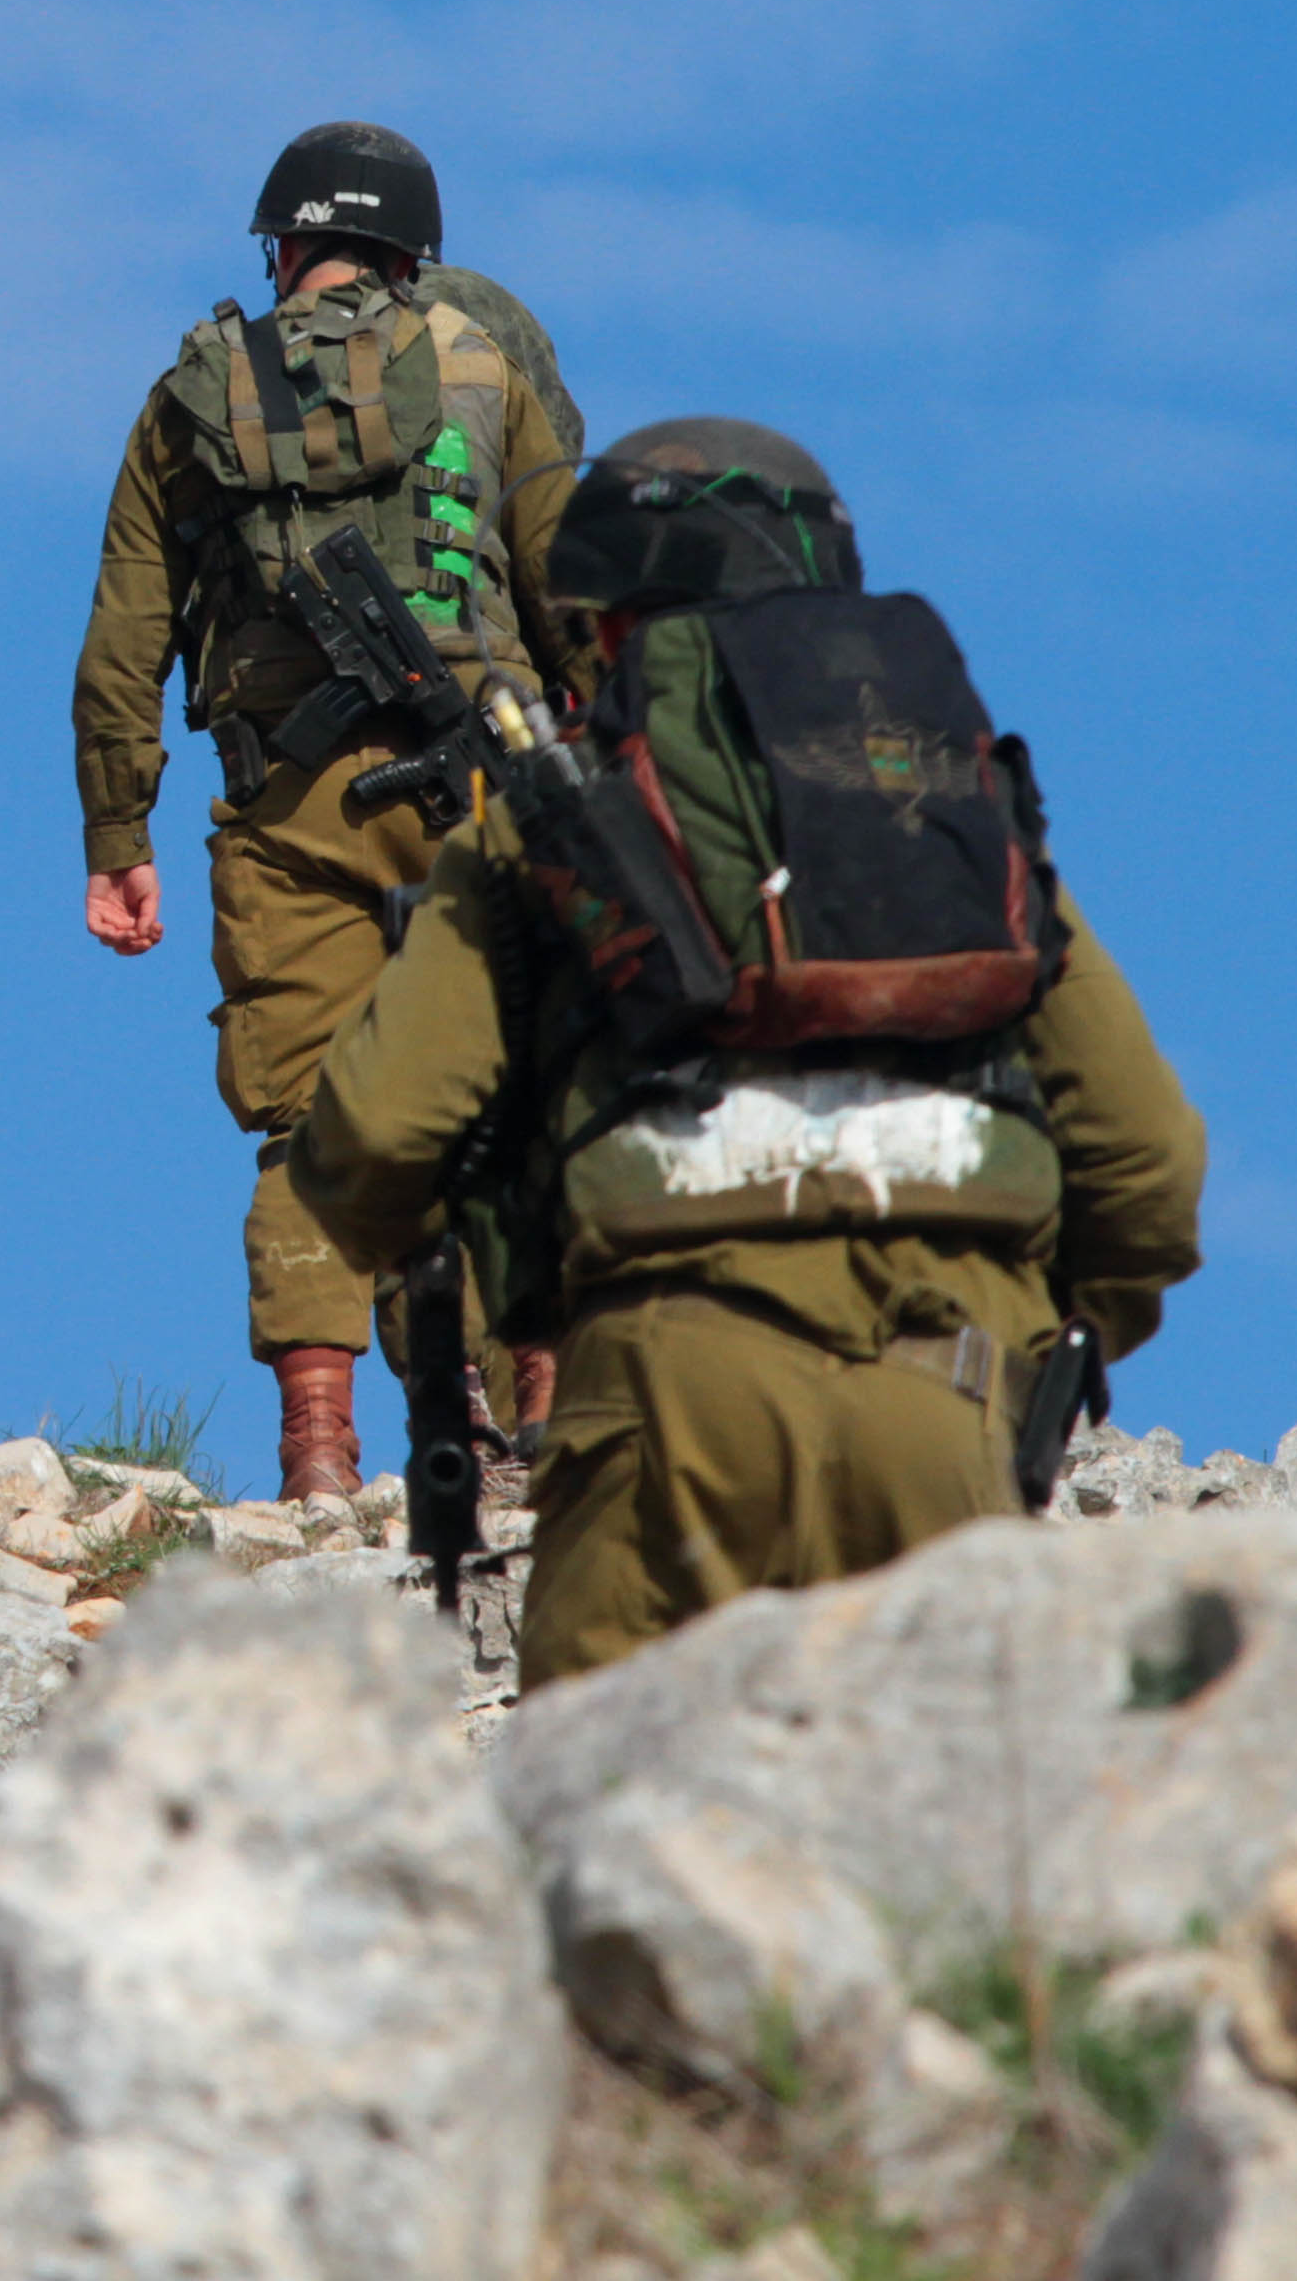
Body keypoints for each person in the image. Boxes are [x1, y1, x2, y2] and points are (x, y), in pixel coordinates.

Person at [292, 420, 1204, 1687]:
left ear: (611, 626)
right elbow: (1150, 1170)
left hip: (661, 1411)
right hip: (949, 1410)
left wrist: (483, 1271)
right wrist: (1033, 1346)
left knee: (620, 1848)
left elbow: (375, 1138)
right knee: (924, 1864)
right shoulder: (968, 825)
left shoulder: (543, 827)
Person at [65, 122, 581, 1497]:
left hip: (289, 800)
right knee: (509, 1089)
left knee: (311, 1122)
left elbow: (123, 643)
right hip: (487, 775)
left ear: (280, 249)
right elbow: (567, 587)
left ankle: (317, 1455)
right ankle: (529, 1400)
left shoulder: (189, 396)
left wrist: (118, 840)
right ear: (414, 256)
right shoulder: (486, 362)